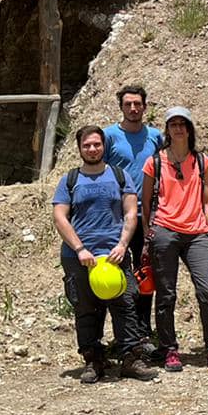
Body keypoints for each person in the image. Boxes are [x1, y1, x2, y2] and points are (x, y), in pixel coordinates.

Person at [51, 125, 157, 383]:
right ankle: (93, 359)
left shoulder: (120, 176)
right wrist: (79, 249)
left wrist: (122, 245)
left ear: (104, 146)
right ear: (79, 149)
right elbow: (59, 216)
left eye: (97, 144)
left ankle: (131, 358)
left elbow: (131, 212)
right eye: (87, 145)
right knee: (86, 308)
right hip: (79, 258)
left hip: (115, 254)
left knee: (126, 306)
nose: (92, 149)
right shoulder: (70, 180)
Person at [141, 107, 208, 372]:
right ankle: (170, 349)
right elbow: (145, 202)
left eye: (182, 124)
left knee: (207, 291)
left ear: (189, 129)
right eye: (173, 124)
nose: (178, 129)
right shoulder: (154, 162)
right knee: (166, 294)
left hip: (197, 231)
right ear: (167, 130)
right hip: (165, 230)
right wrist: (148, 232)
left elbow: (207, 199)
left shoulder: (202, 161)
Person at [102, 84, 164, 351]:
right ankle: (122, 333)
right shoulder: (108, 136)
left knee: (145, 274)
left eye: (137, 104)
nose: (133, 108)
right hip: (118, 218)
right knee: (118, 275)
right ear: (121, 107)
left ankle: (142, 332)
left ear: (145, 107)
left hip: (149, 215)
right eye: (128, 104)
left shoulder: (156, 136)